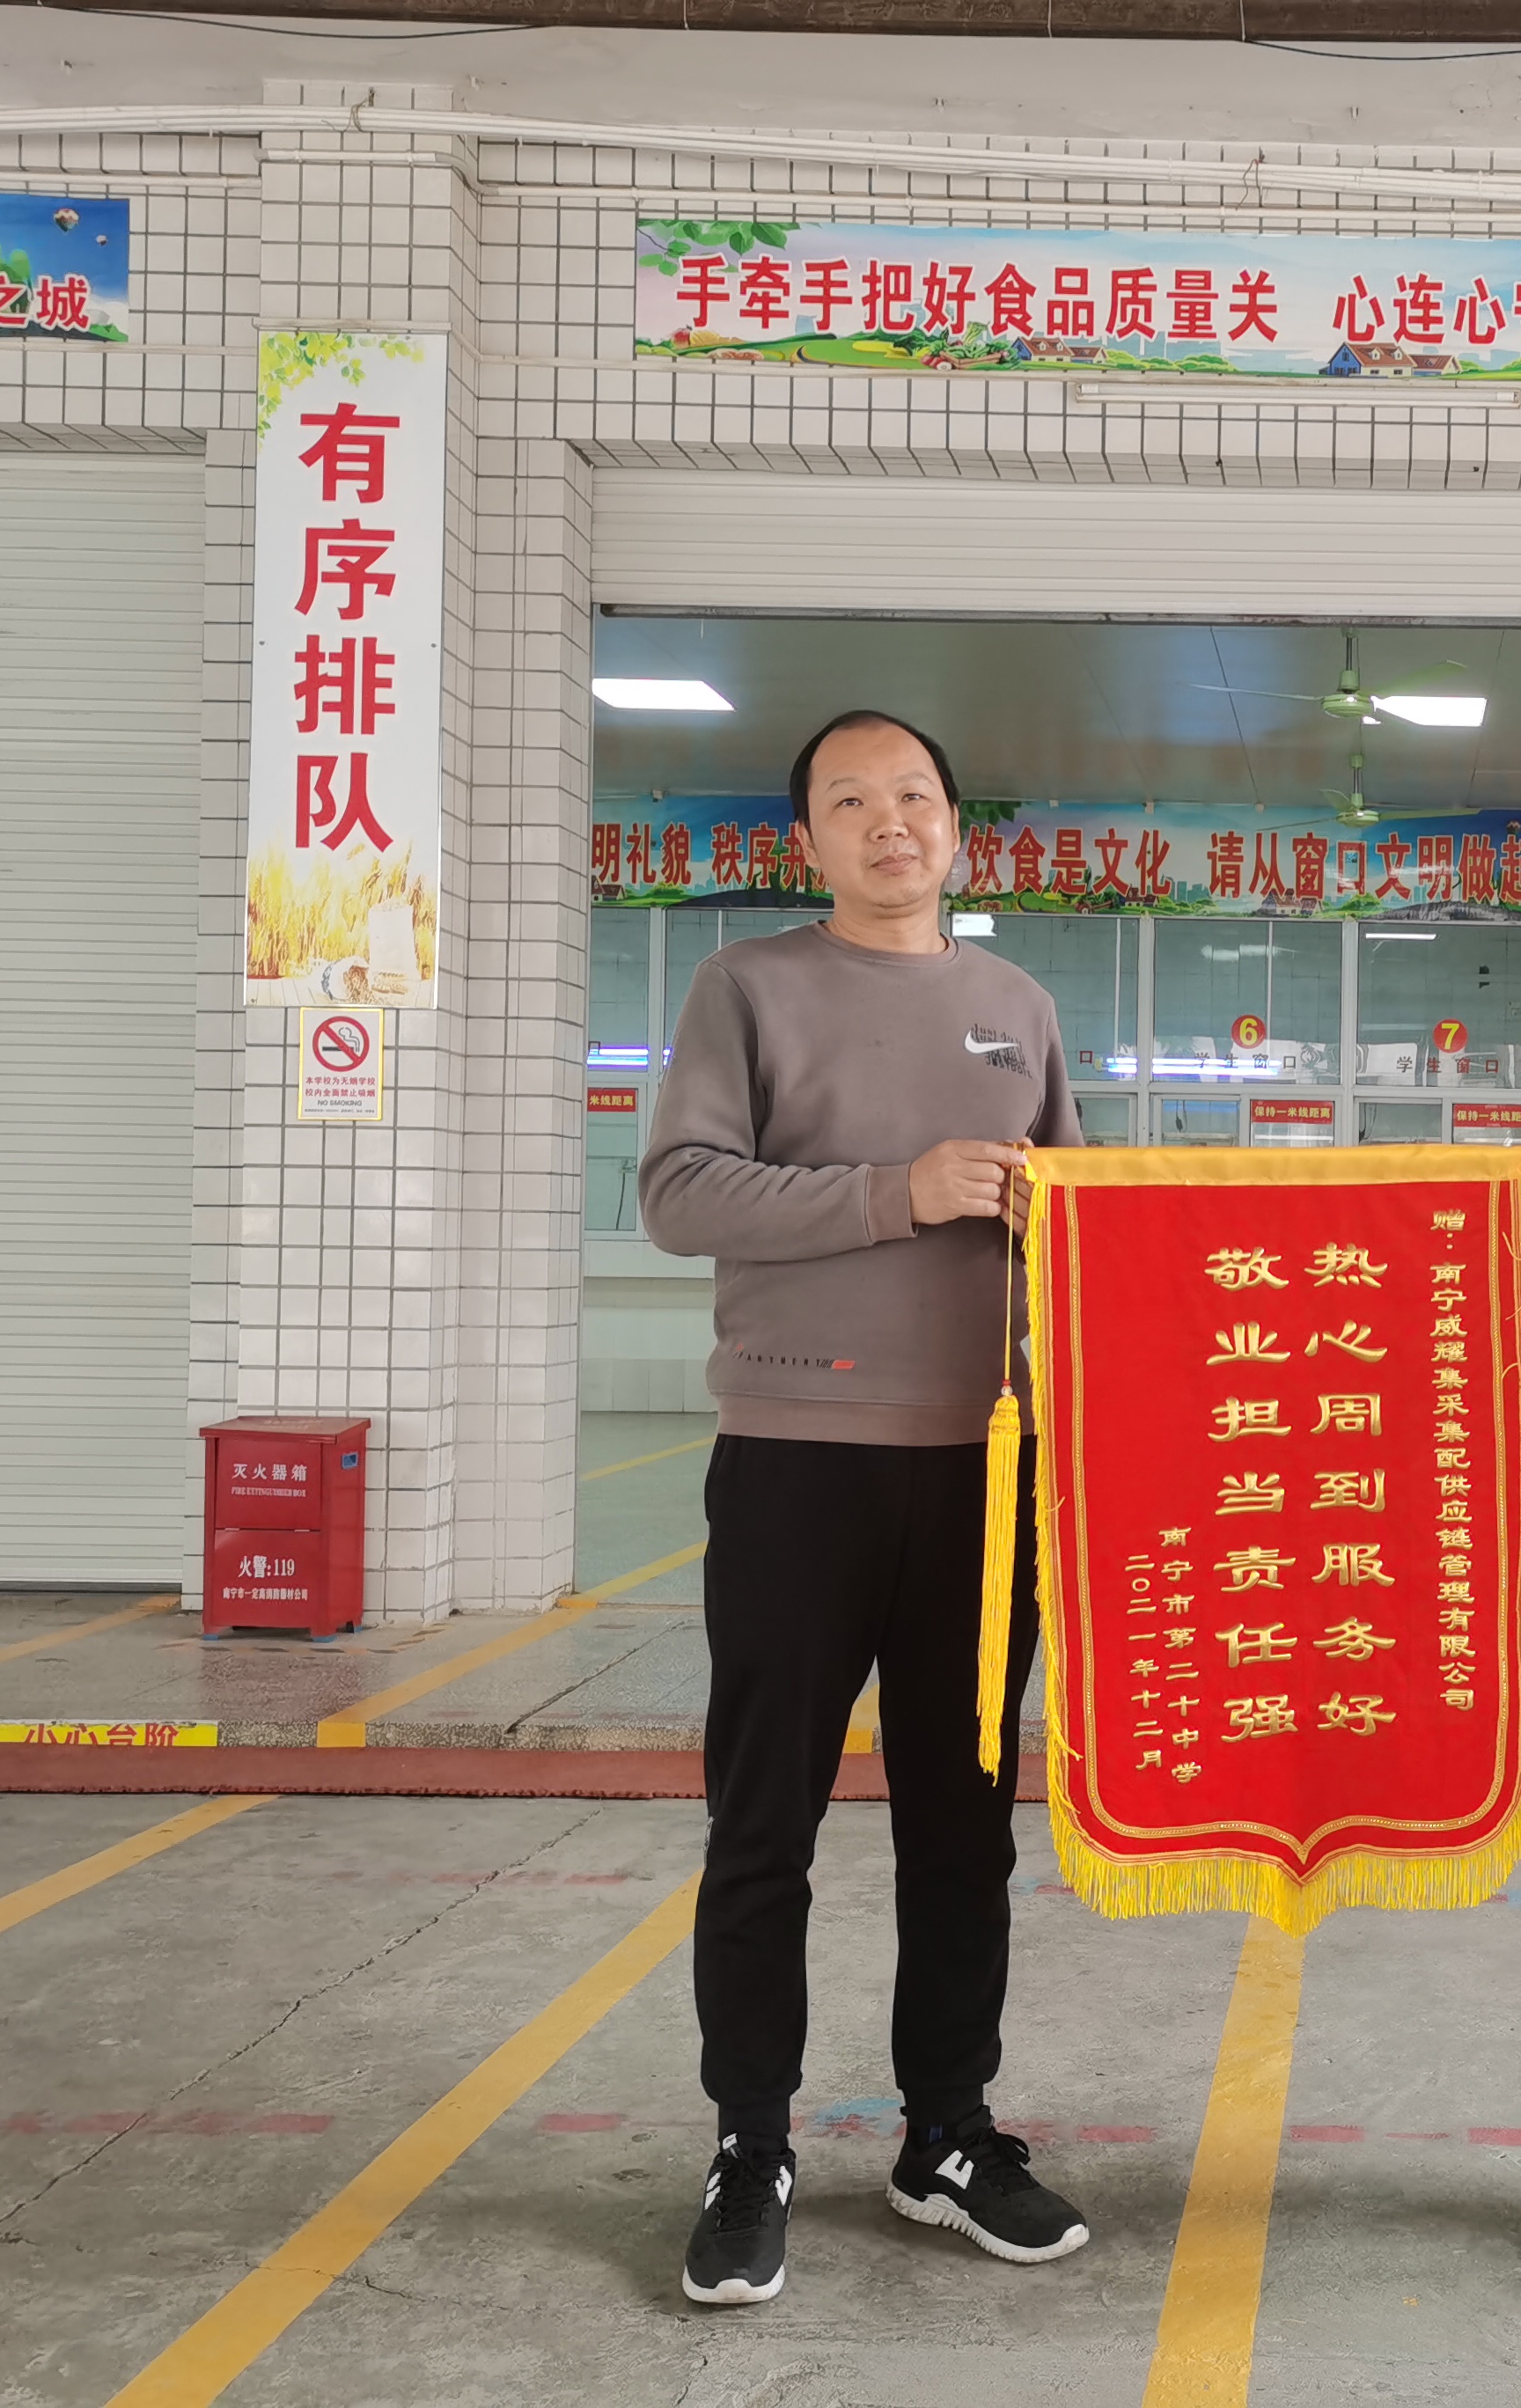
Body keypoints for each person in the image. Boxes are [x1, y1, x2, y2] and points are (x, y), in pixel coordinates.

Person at [640, 708, 1087, 2307]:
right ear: (807, 840)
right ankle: (750, 2141)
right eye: (852, 801)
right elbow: (678, 1191)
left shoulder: (1018, 1006)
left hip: (983, 1473)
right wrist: (902, 1192)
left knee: (962, 1826)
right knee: (763, 1819)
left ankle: (946, 2134)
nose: (890, 823)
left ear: (957, 825)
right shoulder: (747, 986)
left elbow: (1079, 1238)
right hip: (798, 1456)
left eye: (915, 796)